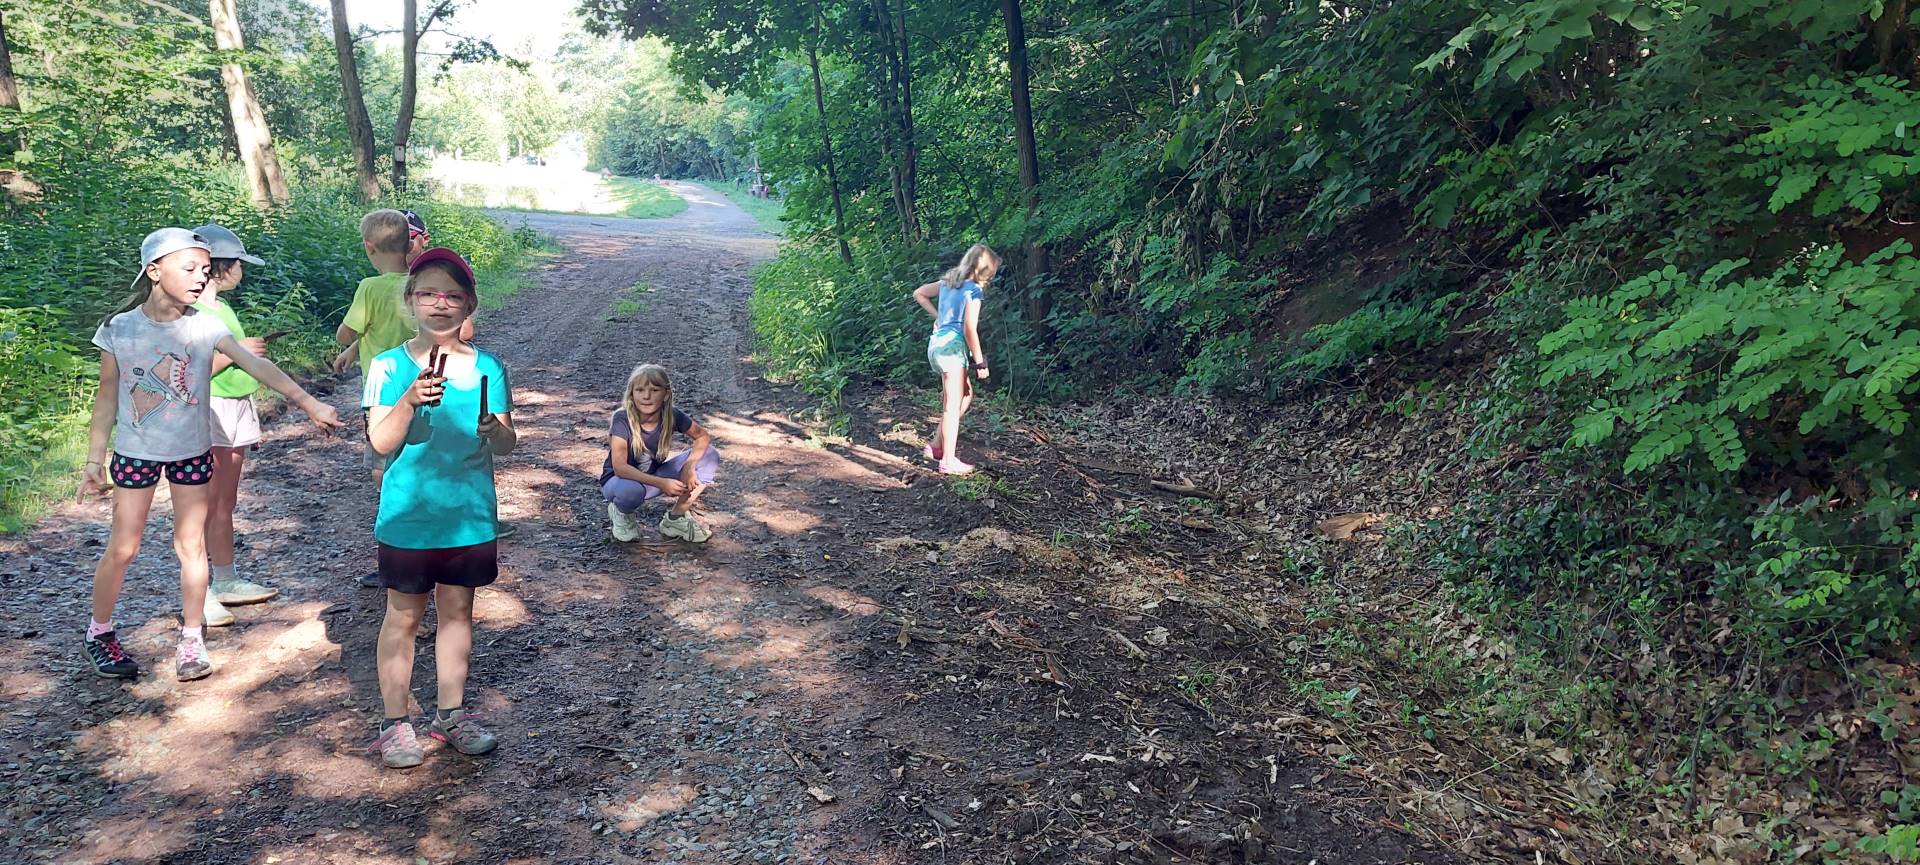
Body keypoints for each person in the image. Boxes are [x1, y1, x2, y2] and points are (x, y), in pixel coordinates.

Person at [82, 228, 343, 682]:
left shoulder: (206, 325)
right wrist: (93, 460)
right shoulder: (119, 329)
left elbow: (255, 363)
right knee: (124, 547)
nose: (201, 277)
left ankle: (191, 639)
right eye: (189, 269)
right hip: (136, 454)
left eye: (205, 270)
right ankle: (99, 632)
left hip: (192, 452)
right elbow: (107, 398)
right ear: (154, 271)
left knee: (191, 546)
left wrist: (309, 403)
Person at [364, 247, 514, 768]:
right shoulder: (388, 366)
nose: (440, 303)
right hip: (408, 517)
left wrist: (496, 430)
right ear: (410, 301)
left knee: (457, 613)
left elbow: (506, 444)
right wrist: (409, 400)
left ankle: (451, 714)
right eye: (428, 293)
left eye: (452, 295)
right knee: (402, 617)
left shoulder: (489, 367)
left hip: (468, 515)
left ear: (469, 304)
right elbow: (381, 442)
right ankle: (394, 723)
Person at [332, 209, 473, 587]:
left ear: (369, 247)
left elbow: (346, 332)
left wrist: (348, 343)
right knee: (424, 462)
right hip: (428, 386)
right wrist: (355, 351)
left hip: (384, 396)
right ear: (410, 244)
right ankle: (439, 544)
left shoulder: (370, 288)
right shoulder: (417, 287)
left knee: (386, 472)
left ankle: (399, 558)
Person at [190, 224, 279, 625]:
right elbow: (190, 372)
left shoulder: (222, 308)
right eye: (238, 262)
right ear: (220, 266)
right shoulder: (194, 313)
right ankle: (200, 591)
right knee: (204, 504)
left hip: (237, 406)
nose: (242, 270)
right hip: (212, 409)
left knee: (225, 500)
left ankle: (225, 578)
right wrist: (237, 353)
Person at [601, 364, 717, 544]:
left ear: (666, 393)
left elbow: (702, 437)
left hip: (651, 479)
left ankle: (676, 518)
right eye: (640, 390)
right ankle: (621, 512)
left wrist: (689, 467)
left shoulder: (672, 415)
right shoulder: (622, 418)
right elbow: (620, 468)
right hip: (619, 482)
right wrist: (662, 483)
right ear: (631, 394)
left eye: (654, 390)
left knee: (709, 455)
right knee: (632, 490)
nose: (646, 396)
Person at [910, 244, 999, 475]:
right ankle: (948, 460)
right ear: (984, 270)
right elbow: (969, 329)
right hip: (952, 348)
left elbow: (919, 293)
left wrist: (939, 317)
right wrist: (980, 362)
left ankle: (936, 445)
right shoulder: (973, 291)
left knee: (965, 395)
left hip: (937, 345)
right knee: (951, 406)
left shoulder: (947, 283)